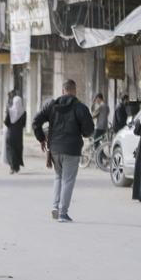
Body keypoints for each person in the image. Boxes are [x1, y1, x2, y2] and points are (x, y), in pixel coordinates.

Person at [32, 79, 94, 223]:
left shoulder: (52, 106)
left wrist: (41, 138)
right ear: (74, 91)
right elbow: (89, 130)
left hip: (54, 149)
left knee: (59, 177)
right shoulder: (80, 107)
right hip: (72, 149)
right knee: (68, 180)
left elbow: (36, 122)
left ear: (63, 91)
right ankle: (63, 213)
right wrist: (82, 132)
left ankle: (55, 206)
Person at [4, 92, 26, 175]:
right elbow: (24, 124)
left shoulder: (10, 111)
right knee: (17, 150)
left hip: (10, 133)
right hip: (19, 135)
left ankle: (12, 167)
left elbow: (6, 122)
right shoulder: (24, 113)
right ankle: (16, 167)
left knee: (10, 150)